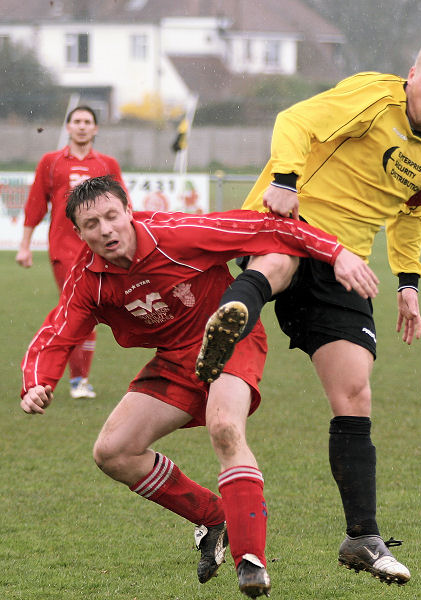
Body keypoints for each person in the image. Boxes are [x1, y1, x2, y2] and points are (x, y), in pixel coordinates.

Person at [19, 175, 379, 598]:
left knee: (224, 426)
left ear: (128, 210)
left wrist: (335, 252)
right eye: (92, 224)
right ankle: (215, 516)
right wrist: (37, 381)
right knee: (113, 452)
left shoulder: (176, 235)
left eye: (112, 216)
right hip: (175, 360)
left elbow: (266, 228)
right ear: (78, 233)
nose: (106, 230)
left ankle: (252, 560)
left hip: (230, 339)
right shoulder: (88, 278)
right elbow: (59, 330)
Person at [195, 40, 421, 586]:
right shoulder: (372, 96)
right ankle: (232, 313)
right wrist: (284, 181)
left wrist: (409, 282)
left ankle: (362, 537)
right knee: (277, 261)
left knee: (354, 392)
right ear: (411, 73)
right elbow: (295, 119)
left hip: (345, 266)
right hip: (290, 225)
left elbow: (413, 213)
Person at [16, 106, 128, 400]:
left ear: (96, 129)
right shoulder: (51, 162)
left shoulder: (107, 163)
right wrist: (25, 245)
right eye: (76, 121)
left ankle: (77, 377)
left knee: (96, 312)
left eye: (87, 122)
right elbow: (36, 205)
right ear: (67, 127)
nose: (81, 126)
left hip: (102, 250)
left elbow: (123, 205)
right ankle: (78, 380)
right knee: (79, 311)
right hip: (65, 252)